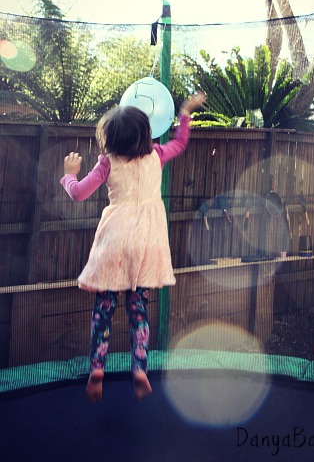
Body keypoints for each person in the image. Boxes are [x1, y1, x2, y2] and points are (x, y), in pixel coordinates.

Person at [60, 92, 206, 402]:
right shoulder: (157, 154)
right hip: (147, 242)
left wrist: (69, 176)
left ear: (109, 140)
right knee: (139, 310)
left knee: (104, 309)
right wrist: (185, 113)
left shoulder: (107, 163)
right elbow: (180, 143)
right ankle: (139, 367)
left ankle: (97, 367)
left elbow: (79, 194)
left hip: (116, 241)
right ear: (146, 133)